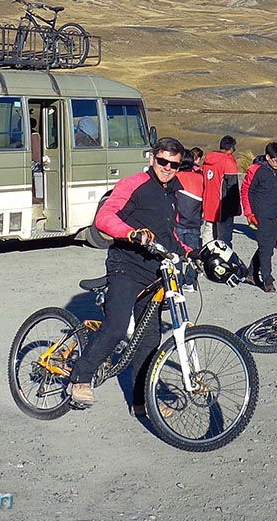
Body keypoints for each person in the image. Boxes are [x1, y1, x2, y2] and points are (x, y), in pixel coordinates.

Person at [68, 137, 190, 411]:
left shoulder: (171, 192)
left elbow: (168, 236)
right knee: (117, 326)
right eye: (163, 161)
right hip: (126, 265)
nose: (168, 168)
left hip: (155, 272)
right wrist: (130, 233)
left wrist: (192, 253)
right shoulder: (133, 184)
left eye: (174, 164)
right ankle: (80, 378)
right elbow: (104, 217)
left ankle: (142, 402)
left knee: (149, 339)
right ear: (152, 159)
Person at [241, 142, 277, 292]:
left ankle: (251, 273)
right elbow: (245, 191)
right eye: (275, 160)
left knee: (268, 245)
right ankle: (267, 280)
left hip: (276, 214)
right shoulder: (256, 170)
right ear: (268, 157)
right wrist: (249, 213)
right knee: (266, 248)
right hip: (259, 214)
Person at [201, 135, 241, 245]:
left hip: (208, 202)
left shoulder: (207, 160)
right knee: (224, 236)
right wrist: (236, 207)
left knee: (208, 232)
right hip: (223, 205)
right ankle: (223, 258)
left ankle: (205, 257)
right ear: (231, 148)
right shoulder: (228, 162)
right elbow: (232, 187)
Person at [175, 149, 205, 255]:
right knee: (192, 255)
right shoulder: (200, 178)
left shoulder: (174, 178)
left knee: (175, 255)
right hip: (194, 222)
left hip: (177, 223)